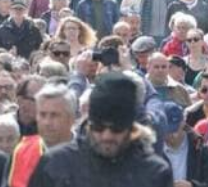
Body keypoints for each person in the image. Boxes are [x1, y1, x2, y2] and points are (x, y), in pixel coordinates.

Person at [27, 71, 173, 187]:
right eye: (99, 127)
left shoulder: (154, 173)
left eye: (116, 128)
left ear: (130, 127)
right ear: (89, 124)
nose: (106, 136)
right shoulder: (56, 164)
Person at [7, 83, 76, 187]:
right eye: (42, 115)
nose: (47, 122)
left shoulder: (89, 153)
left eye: (54, 115)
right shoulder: (21, 151)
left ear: (71, 119)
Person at [161, 101, 208, 187]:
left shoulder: (200, 149)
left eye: (176, 129)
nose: (173, 135)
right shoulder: (151, 151)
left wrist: (192, 186)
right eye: (169, 130)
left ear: (183, 122)